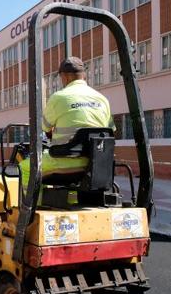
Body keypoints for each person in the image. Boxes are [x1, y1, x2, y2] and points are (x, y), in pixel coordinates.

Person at [20, 56, 115, 194]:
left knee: (25, 167)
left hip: (65, 163)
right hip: (95, 165)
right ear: (83, 75)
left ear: (65, 77)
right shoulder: (102, 99)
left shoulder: (59, 97)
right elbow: (111, 131)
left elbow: (45, 127)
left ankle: (34, 210)